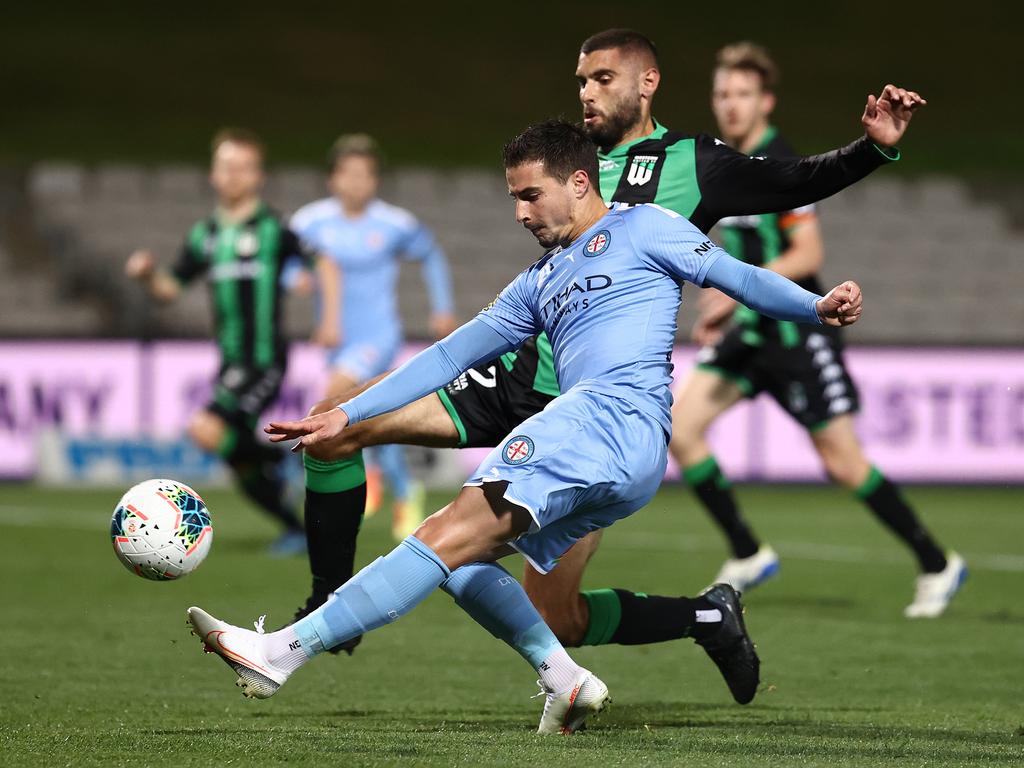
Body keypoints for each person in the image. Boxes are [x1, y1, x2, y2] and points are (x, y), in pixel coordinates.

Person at [188, 119, 863, 733]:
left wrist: (816, 308)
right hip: (625, 457)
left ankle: (278, 653)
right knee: (459, 564)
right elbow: (451, 354)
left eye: (530, 195)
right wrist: (347, 412)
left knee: (440, 536)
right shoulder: (541, 280)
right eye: (514, 198)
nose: (519, 212)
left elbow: (736, 277)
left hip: (605, 418)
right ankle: (564, 677)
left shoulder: (646, 226)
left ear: (578, 182)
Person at [273, 28, 924, 657]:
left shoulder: (693, 166)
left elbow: (793, 183)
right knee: (336, 433)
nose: (586, 92)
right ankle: (333, 607)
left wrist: (870, 150)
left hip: (591, 415)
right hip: (519, 374)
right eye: (581, 79)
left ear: (648, 83)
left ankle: (706, 616)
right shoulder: (565, 160)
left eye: (602, 79)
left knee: (559, 617)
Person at [669, 42, 964, 617]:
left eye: (743, 95)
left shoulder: (781, 162)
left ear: (766, 102)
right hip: (751, 336)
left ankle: (936, 561)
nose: (730, 105)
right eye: (722, 94)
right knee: (681, 430)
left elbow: (807, 251)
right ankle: (747, 551)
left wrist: (735, 293)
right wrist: (720, 298)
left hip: (798, 336)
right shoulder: (722, 165)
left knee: (842, 463)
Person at [126, 128, 340, 556]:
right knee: (234, 456)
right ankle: (294, 526)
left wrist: (330, 319)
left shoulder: (274, 229)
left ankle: (282, 462)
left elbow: (326, 263)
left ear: (258, 175)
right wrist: (149, 275)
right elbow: (171, 289)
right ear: (213, 174)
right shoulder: (204, 235)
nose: (233, 175)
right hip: (230, 362)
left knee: (206, 429)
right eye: (226, 166)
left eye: (243, 167)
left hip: (263, 360)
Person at [290, 134, 457, 542]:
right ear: (332, 179)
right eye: (349, 173)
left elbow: (432, 255)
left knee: (332, 401)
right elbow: (280, 259)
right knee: (375, 417)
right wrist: (292, 277)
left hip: (377, 335)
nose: (357, 182)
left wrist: (442, 308)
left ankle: (348, 488)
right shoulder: (309, 222)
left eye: (366, 174)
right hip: (336, 340)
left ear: (376, 180)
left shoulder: (393, 223)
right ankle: (402, 490)